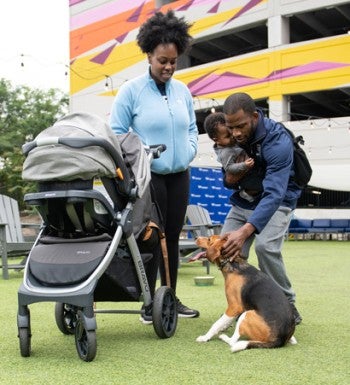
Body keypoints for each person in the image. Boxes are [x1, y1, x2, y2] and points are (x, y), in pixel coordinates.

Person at [110, 10, 199, 321]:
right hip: (149, 176)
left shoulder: (183, 91)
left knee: (172, 236)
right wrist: (140, 157)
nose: (169, 66)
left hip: (179, 174)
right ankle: (150, 304)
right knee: (150, 236)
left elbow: (191, 128)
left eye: (173, 60)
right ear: (149, 54)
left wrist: (189, 150)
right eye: (163, 60)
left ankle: (170, 299)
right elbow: (117, 134)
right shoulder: (130, 91)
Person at [220, 92, 303, 324]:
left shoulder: (277, 141)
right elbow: (226, 180)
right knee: (227, 250)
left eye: (241, 126)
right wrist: (233, 175)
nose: (235, 133)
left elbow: (274, 193)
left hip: (278, 201)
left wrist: (246, 231)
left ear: (254, 117)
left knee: (265, 247)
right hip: (245, 199)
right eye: (230, 127)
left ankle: (287, 303)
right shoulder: (230, 138)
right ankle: (242, 305)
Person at [203, 112, 257, 202]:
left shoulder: (232, 143)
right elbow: (229, 169)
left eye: (232, 130)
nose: (233, 135)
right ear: (216, 140)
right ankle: (245, 194)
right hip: (245, 180)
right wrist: (244, 165)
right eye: (228, 136)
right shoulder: (226, 152)